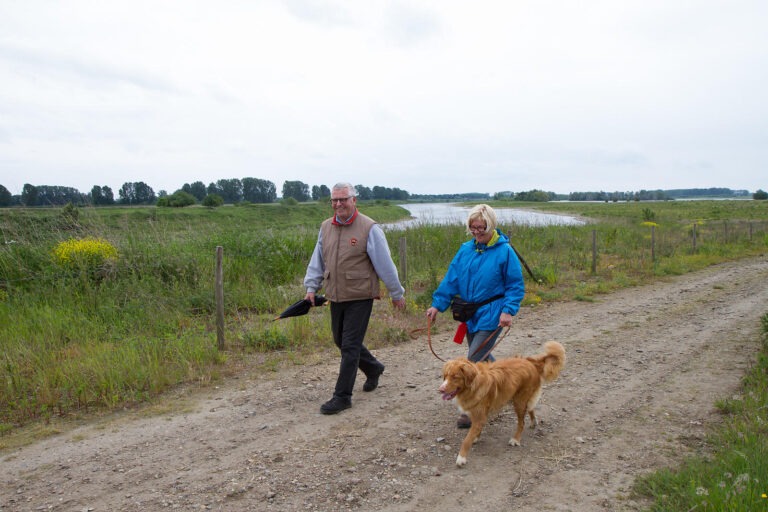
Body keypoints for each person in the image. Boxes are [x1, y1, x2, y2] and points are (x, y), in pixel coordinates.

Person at [304, 182, 406, 415]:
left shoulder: (370, 228)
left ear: (354, 200)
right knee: (340, 340)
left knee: (349, 345)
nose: (338, 204)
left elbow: (385, 265)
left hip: (361, 295)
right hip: (335, 294)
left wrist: (396, 293)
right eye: (334, 200)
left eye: (343, 199)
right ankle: (373, 368)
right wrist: (311, 287)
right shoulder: (325, 227)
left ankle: (342, 396)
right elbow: (317, 260)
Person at [426, 204, 525, 428]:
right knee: (482, 359)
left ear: (491, 225)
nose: (477, 232)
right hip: (470, 314)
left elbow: (515, 284)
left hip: (493, 313)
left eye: (481, 227)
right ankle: (507, 384)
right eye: (473, 227)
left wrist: (508, 310)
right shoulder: (465, 250)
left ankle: (470, 410)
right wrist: (436, 306)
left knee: (472, 361)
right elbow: (451, 280)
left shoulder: (505, 252)